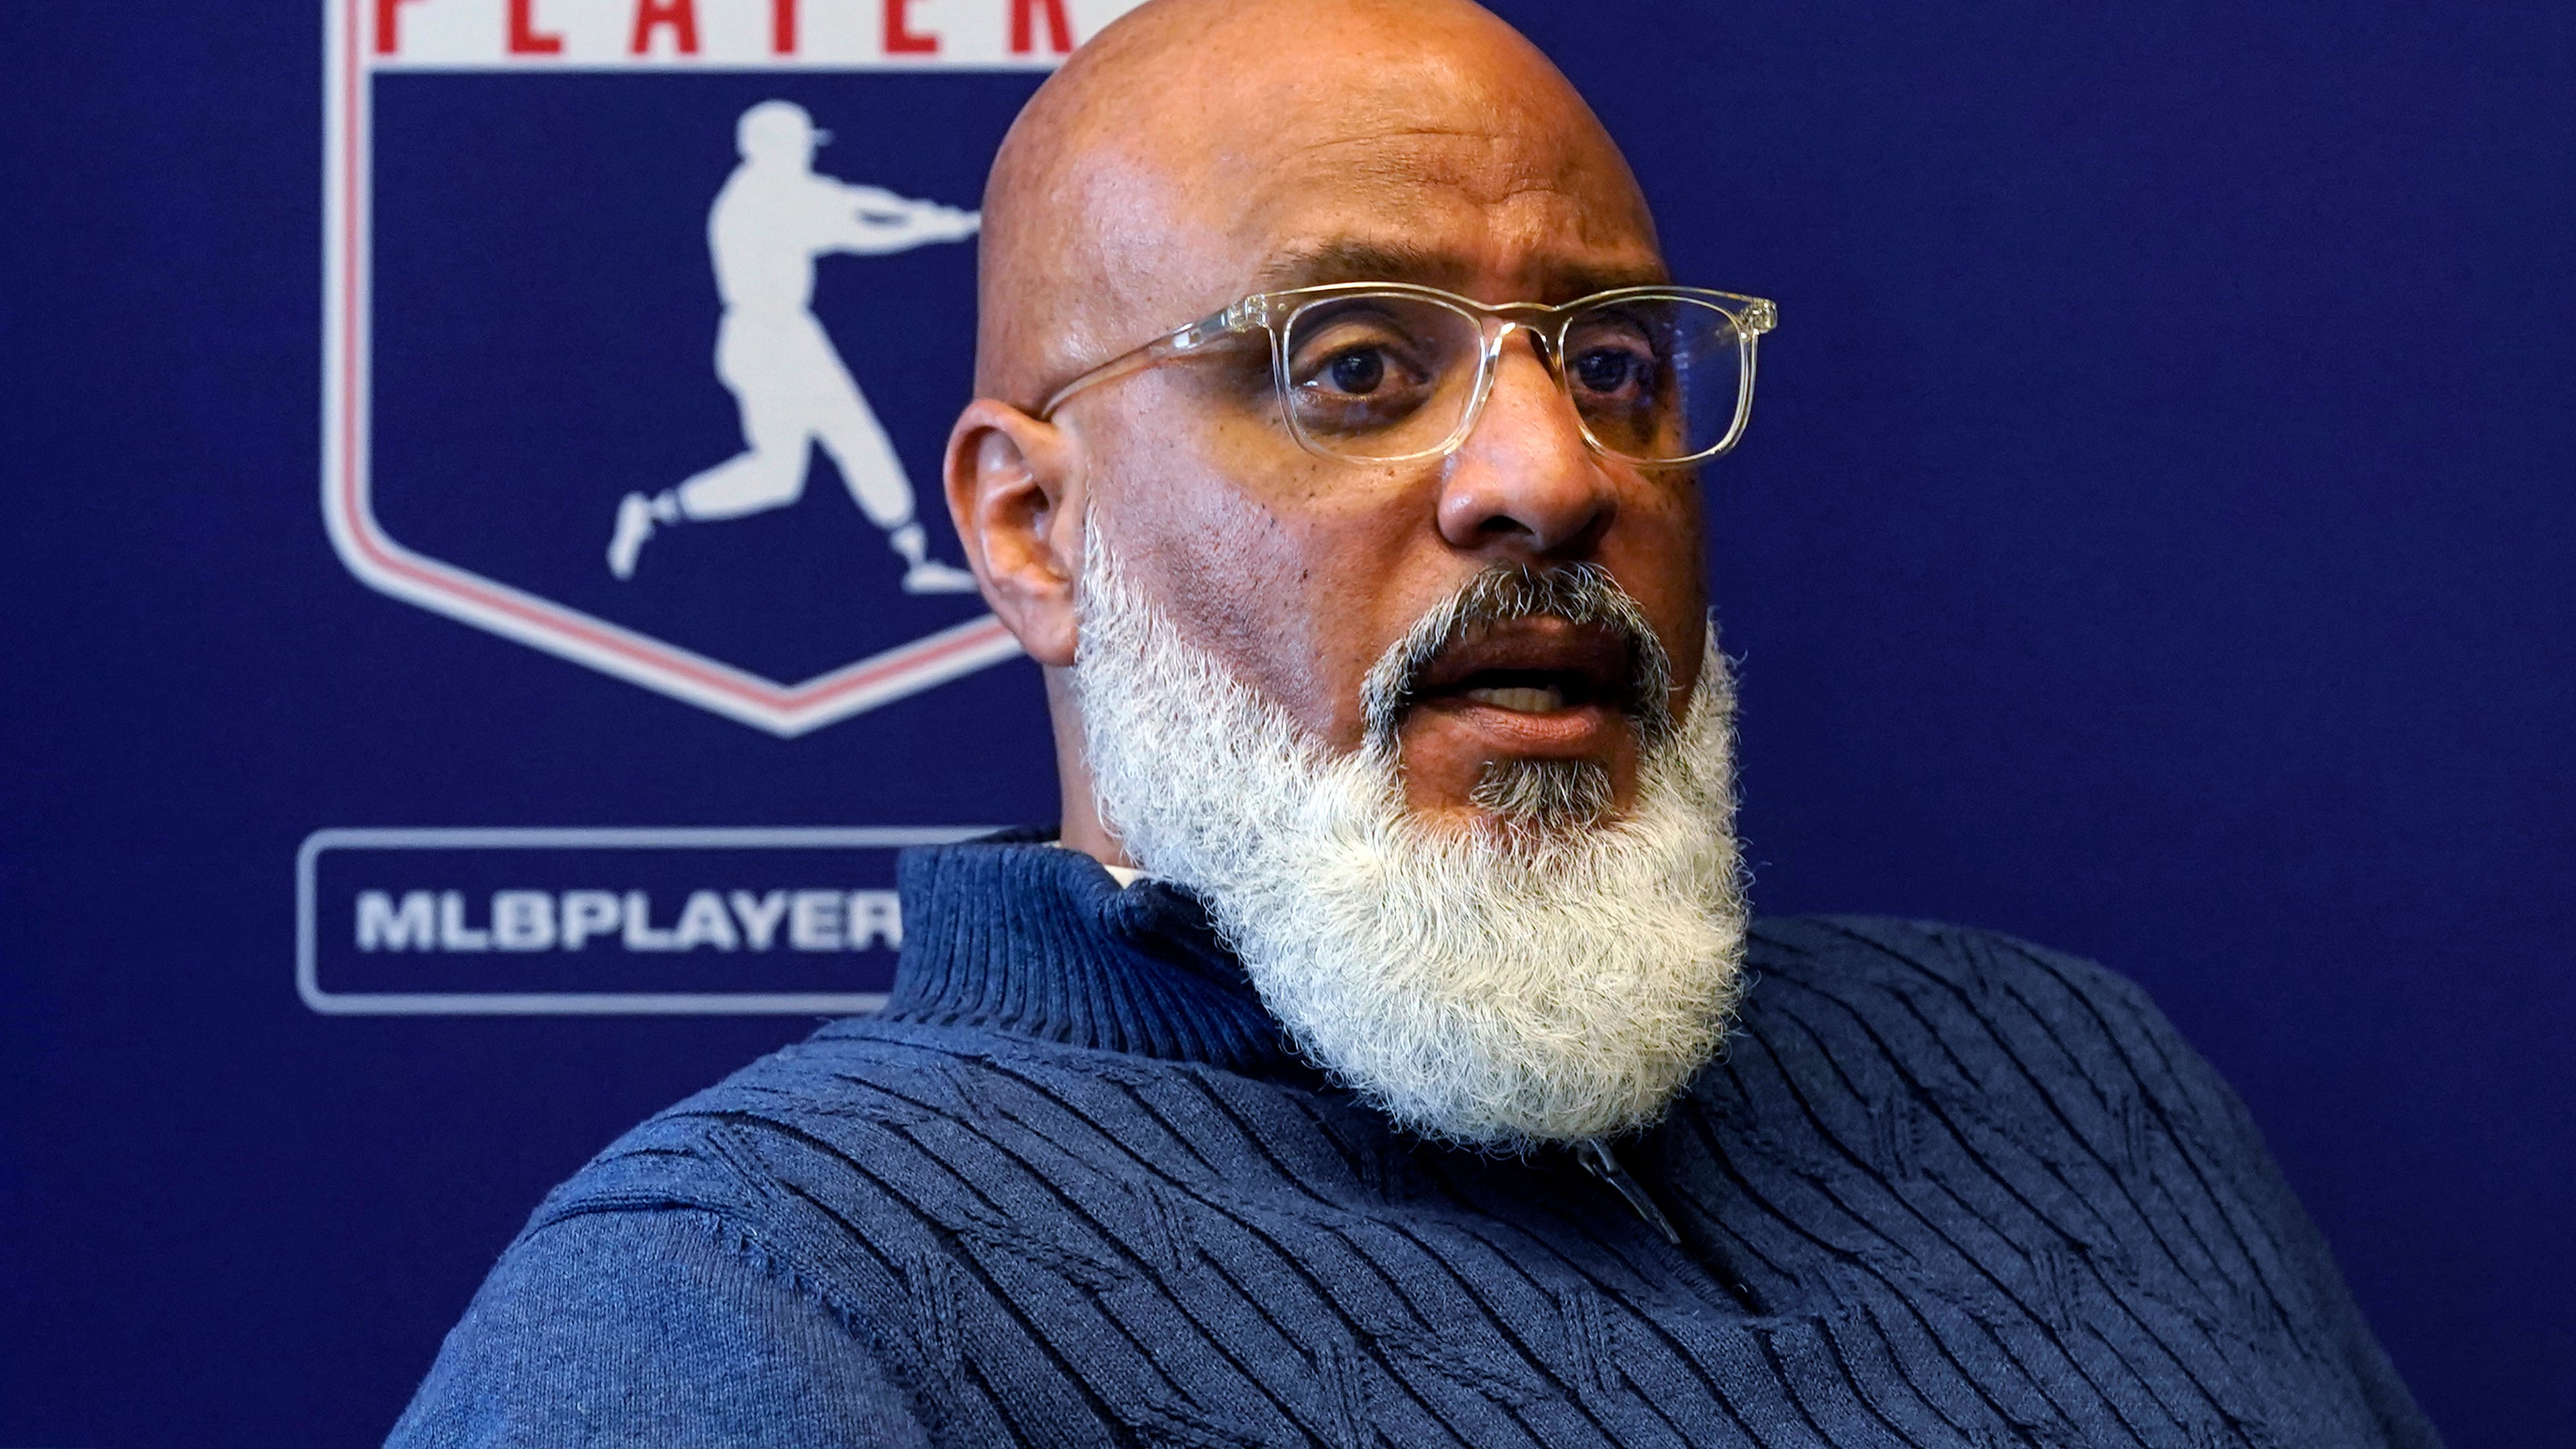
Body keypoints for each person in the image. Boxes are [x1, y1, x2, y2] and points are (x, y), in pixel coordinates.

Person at [395, 2, 2439, 1444]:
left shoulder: (2065, 1077)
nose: (1549, 477)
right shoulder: (756, 1292)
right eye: (1354, 366)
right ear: (1033, 529)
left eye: (1614, 362)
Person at [608, 99, 981, 592]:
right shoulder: (758, 202)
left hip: (786, 337)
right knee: (827, 451)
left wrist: (929, 214)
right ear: (764, 149)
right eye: (796, 145)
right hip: (769, 342)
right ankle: (914, 559)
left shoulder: (786, 188)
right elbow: (858, 234)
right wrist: (939, 229)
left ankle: (656, 513)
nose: (806, 154)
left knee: (803, 464)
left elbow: (855, 198)